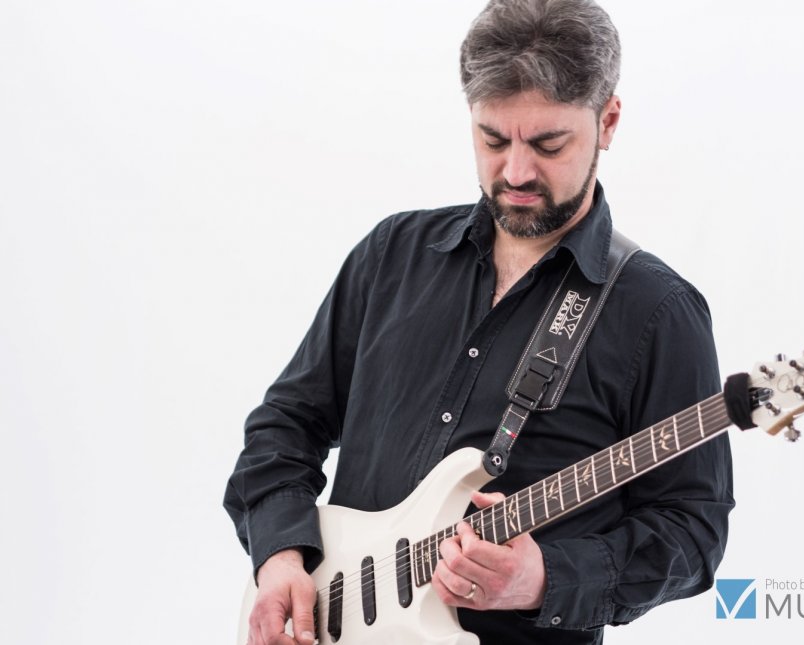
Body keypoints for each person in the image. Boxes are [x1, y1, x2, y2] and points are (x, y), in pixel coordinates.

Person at [224, 1, 734, 643]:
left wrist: (544, 579)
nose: (516, 172)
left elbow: (692, 531)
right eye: (493, 140)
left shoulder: (658, 311)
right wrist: (280, 557)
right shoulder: (393, 254)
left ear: (607, 121)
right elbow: (286, 424)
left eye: (549, 145)